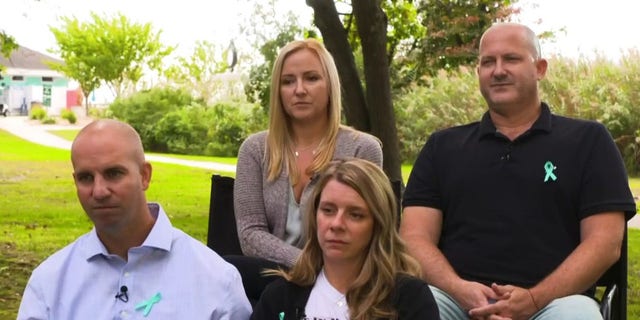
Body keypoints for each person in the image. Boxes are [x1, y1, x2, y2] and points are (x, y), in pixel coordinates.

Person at [400, 22, 637, 320]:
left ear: (539, 68)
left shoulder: (588, 141)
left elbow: (604, 243)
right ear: (479, 73)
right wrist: (461, 290)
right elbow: (413, 238)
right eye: (488, 62)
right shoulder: (442, 147)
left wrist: (535, 299)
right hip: (456, 301)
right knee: (407, 306)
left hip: (557, 303)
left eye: (511, 59)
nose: (498, 70)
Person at [17, 119, 252, 319]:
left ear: (144, 176)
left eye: (113, 174)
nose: (99, 191)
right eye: (86, 178)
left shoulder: (216, 281)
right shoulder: (50, 282)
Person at [232, 39, 383, 302]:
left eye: (311, 78)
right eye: (288, 81)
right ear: (278, 90)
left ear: (330, 85)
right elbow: (250, 235)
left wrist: (328, 269)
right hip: (268, 274)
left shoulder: (362, 149)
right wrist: (305, 264)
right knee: (227, 270)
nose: (299, 90)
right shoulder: (255, 150)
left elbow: (367, 229)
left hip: (342, 277)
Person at [251, 158, 439, 319]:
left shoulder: (409, 300)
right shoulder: (280, 298)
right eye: (328, 210)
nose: (337, 224)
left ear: (379, 224)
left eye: (355, 214)